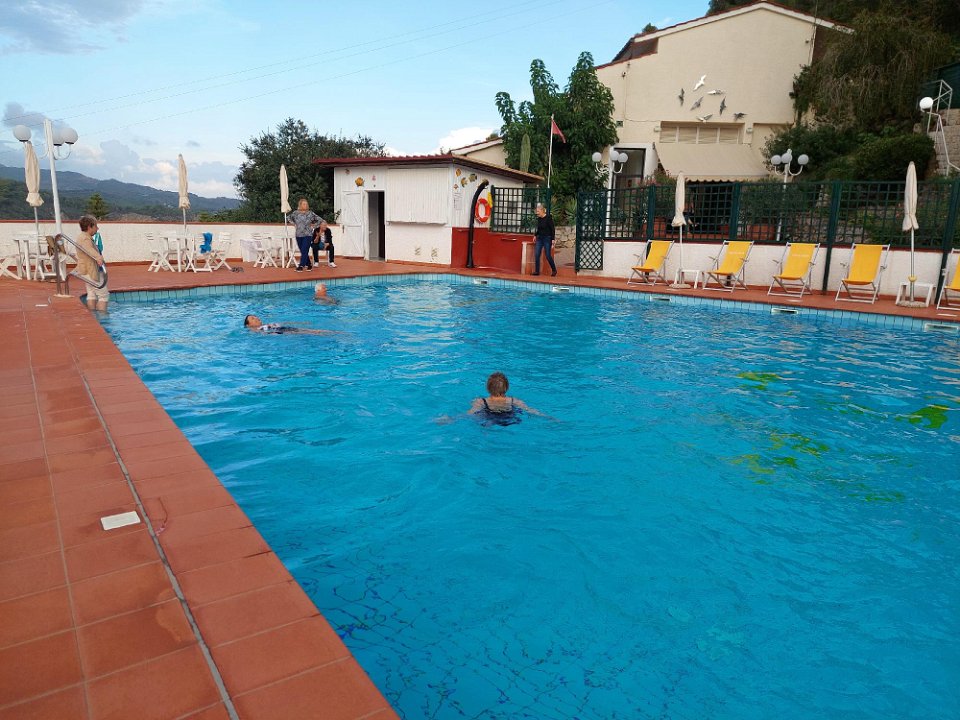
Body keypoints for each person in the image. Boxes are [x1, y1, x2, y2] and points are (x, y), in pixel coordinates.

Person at [468, 372, 541, 426]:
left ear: (487, 388)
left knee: (483, 417)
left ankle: (487, 429)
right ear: (507, 388)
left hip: (490, 416)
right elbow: (529, 409)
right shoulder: (513, 400)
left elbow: (470, 413)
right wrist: (544, 416)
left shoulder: (481, 401)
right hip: (508, 416)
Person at [75, 215, 109, 311]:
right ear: (89, 227)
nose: (97, 228)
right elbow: (89, 249)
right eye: (95, 226)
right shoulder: (85, 239)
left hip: (86, 270)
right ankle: (102, 317)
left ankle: (93, 315)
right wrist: (99, 257)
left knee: (91, 293)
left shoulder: (82, 236)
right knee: (103, 296)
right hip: (90, 271)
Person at [287, 198, 323, 272]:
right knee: (304, 251)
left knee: (304, 250)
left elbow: (320, 220)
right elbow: (288, 218)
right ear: (300, 205)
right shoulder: (295, 213)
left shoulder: (310, 213)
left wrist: (314, 226)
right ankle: (309, 265)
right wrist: (294, 224)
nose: (305, 205)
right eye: (304, 204)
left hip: (308, 234)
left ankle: (301, 266)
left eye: (306, 204)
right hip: (298, 234)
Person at [243, 314, 334, 335]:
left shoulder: (267, 324)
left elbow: (284, 323)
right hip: (284, 333)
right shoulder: (254, 330)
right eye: (252, 319)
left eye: (255, 317)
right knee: (313, 332)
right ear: (248, 325)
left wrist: (301, 323)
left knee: (313, 331)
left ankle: (332, 333)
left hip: (285, 329)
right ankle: (333, 333)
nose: (256, 318)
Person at [532, 203, 557, 277]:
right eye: (536, 211)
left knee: (548, 255)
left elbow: (552, 229)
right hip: (540, 238)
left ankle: (554, 270)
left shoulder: (548, 218)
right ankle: (537, 271)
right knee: (537, 254)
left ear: (542, 210)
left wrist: (553, 239)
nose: (537, 213)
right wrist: (535, 235)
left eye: (538, 211)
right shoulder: (539, 219)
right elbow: (539, 229)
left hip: (547, 238)